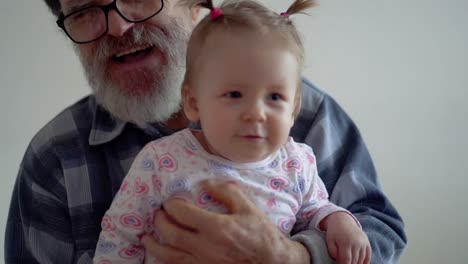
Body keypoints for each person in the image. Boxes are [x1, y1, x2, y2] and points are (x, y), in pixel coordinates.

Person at [4, 0, 407, 263]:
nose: (119, 26)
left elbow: (380, 231)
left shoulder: (306, 121)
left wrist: (296, 257)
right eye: (86, 8)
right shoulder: (55, 158)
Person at [93, 0, 371, 263]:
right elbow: (120, 235)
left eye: (274, 97)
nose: (256, 113)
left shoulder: (297, 163)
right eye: (235, 94)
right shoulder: (161, 161)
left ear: (294, 108)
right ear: (193, 102)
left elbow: (314, 209)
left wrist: (339, 220)